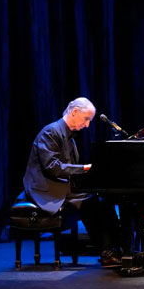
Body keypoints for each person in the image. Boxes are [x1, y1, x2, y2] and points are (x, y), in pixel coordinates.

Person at [22, 97, 122, 267]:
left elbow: (68, 170)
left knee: (105, 199)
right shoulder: (50, 132)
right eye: (86, 119)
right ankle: (106, 253)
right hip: (45, 187)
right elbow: (52, 167)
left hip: (60, 184)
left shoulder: (69, 138)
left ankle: (118, 248)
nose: (88, 125)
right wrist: (84, 168)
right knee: (90, 204)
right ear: (74, 112)